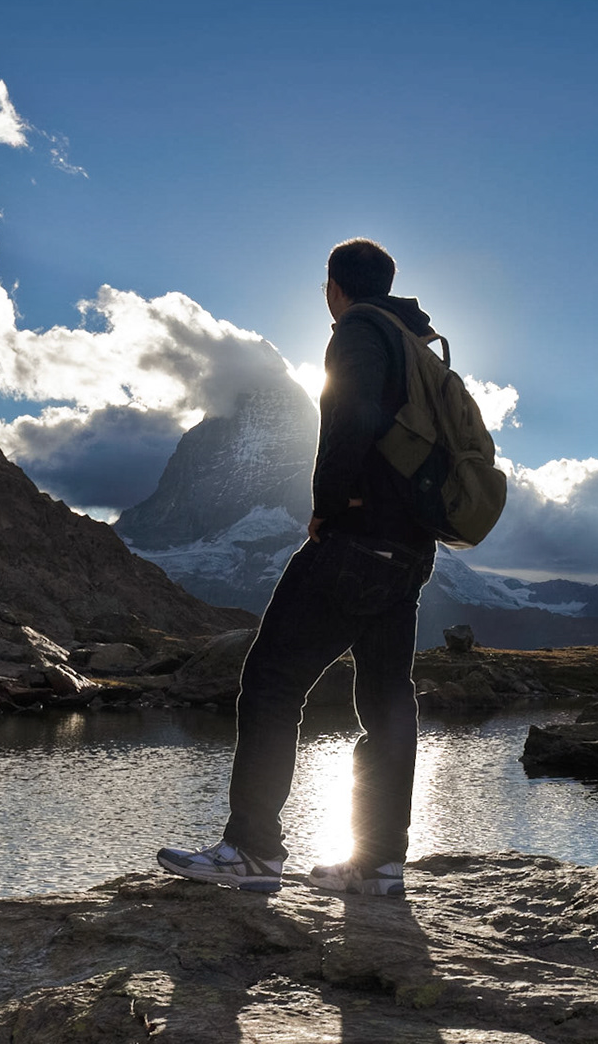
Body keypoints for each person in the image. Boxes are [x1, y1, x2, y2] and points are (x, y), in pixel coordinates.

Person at [158, 238, 438, 896]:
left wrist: (327, 506)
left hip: (358, 541)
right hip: (411, 550)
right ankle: (379, 865)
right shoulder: (419, 345)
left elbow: (351, 418)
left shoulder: (358, 332)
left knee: (270, 683)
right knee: (387, 703)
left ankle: (253, 852)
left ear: (334, 288)